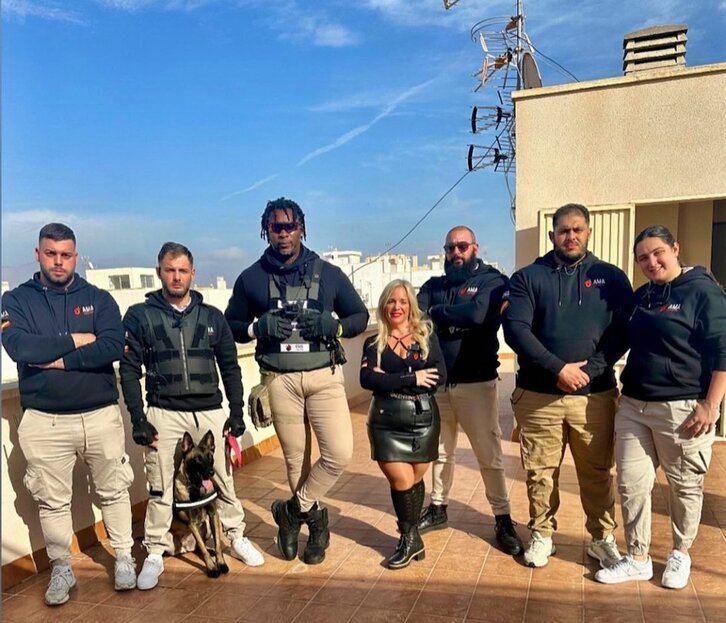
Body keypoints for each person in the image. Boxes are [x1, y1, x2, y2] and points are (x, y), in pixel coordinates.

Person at [224, 197, 368, 565]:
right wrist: (257, 328)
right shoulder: (251, 278)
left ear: (301, 228)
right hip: (280, 380)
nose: (284, 233)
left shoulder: (328, 273)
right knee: (295, 463)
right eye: (276, 227)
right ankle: (316, 526)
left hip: (324, 375)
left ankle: (290, 511)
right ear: (266, 230)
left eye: (290, 226)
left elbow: (359, 316)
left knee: (338, 453)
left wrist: (333, 326)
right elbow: (230, 325)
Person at [1, 223, 136, 606]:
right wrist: (78, 339)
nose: (58, 262)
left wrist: (55, 358)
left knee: (114, 490)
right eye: (51, 254)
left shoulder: (98, 298)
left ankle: (124, 557)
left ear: (75, 256)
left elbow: (112, 346)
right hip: (45, 421)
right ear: (38, 254)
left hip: (100, 415)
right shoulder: (16, 300)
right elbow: (20, 347)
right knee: (52, 501)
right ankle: (61, 569)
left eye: (65, 255)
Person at [120, 242, 264, 591]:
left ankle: (235, 535)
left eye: (183, 271)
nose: (176, 277)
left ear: (192, 273)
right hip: (164, 412)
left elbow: (230, 367)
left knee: (222, 479)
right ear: (159, 272)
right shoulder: (140, 316)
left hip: (209, 412)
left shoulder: (212, 317)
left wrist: (235, 411)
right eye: (170, 270)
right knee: (161, 484)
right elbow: (129, 369)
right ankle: (155, 551)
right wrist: (138, 418)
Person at [503, 203, 633, 568]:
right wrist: (557, 368)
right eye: (563, 230)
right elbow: (515, 329)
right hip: (538, 396)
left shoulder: (611, 277)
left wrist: (589, 370)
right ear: (552, 235)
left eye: (577, 229)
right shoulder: (528, 277)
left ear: (588, 233)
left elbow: (623, 331)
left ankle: (602, 538)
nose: (570, 236)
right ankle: (542, 535)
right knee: (540, 472)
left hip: (594, 396)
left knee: (596, 472)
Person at [595, 225, 726, 588]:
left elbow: (723, 351)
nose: (651, 262)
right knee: (632, 484)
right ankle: (638, 558)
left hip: (682, 410)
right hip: (634, 405)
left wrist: (711, 404)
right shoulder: (643, 296)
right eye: (643, 258)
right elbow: (621, 340)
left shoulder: (702, 291)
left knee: (684, 486)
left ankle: (680, 553)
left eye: (657, 253)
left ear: (675, 249)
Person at [416, 226, 524, 556]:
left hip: (476, 383)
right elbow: (417, 318)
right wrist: (448, 317)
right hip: (438, 383)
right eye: (450, 248)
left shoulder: (492, 281)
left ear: (475, 247)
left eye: (462, 246)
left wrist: (439, 315)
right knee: (441, 452)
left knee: (488, 455)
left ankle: (502, 517)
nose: (456, 253)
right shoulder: (433, 285)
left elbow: (478, 314)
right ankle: (438, 507)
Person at [360, 280, 446, 568]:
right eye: (391, 301)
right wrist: (413, 377)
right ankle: (409, 540)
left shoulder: (426, 336)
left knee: (415, 479)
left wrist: (387, 379)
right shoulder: (374, 343)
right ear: (383, 305)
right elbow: (367, 380)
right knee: (401, 480)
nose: (396, 307)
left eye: (403, 301)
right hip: (385, 421)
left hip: (423, 420)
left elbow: (439, 377)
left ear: (411, 306)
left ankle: (413, 539)